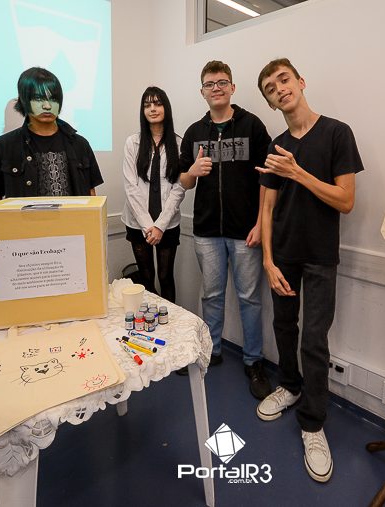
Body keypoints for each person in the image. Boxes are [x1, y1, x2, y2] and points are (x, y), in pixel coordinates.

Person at [255, 58, 365, 483]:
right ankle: (289, 385)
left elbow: (345, 200)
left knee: (314, 340)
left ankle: (313, 424)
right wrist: (268, 260)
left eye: (284, 80)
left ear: (300, 82)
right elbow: (267, 209)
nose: (279, 89)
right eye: (270, 88)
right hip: (283, 254)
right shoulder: (275, 146)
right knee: (284, 326)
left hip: (320, 256)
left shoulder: (337, 133)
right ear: (270, 102)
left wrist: (298, 172)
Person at [178, 60, 272, 400]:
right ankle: (212, 350)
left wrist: (260, 223)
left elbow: (268, 178)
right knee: (212, 295)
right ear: (202, 92)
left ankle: (253, 361)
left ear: (232, 87)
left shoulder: (252, 125)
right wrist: (192, 171)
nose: (216, 88)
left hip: (246, 231)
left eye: (222, 82)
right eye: (209, 84)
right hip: (207, 231)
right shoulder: (194, 132)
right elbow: (183, 182)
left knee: (249, 298)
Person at [0, 67, 102, 202]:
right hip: (23, 216)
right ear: (24, 101)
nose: (47, 106)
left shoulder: (79, 144)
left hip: (73, 216)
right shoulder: (3, 145)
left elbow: (90, 193)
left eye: (53, 99)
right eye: (39, 99)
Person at [121, 87, 185, 301]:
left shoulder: (178, 143)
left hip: (168, 224)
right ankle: (149, 319)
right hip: (137, 223)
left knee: (166, 277)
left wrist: (160, 226)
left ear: (166, 107)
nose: (153, 109)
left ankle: (170, 321)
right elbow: (131, 187)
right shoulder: (133, 142)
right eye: (147, 105)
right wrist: (148, 226)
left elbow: (179, 188)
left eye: (157, 104)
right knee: (146, 278)